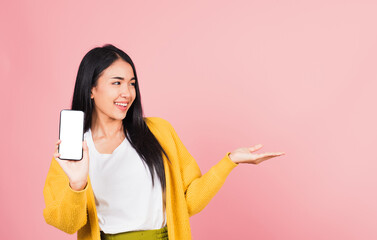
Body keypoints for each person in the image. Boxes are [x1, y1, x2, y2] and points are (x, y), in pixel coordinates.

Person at [42, 44, 285, 240]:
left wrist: (230, 161)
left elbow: (188, 203)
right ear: (91, 89)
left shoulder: (159, 132)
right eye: (116, 82)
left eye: (132, 83)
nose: (127, 92)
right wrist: (77, 183)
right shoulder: (73, 150)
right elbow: (66, 224)